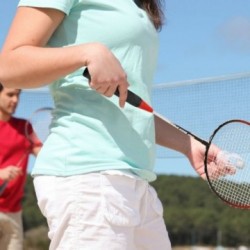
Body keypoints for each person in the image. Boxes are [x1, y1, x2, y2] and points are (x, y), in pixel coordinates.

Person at [0, 1, 221, 249]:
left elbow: (129, 105)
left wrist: (187, 144)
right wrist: (88, 52)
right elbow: (8, 66)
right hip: (88, 177)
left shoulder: (138, 6)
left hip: (136, 182)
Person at [0, 83, 42, 250]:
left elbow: (42, 152)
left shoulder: (25, 127)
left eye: (18, 95)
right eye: (10, 95)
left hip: (14, 211)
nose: (16, 100)